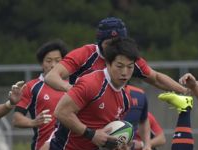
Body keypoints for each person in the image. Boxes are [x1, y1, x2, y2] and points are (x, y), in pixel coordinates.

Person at [45, 17, 188, 95]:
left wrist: (186, 90)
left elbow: (156, 78)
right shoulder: (85, 54)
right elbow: (51, 77)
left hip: (111, 117)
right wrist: (74, 90)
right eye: (109, 43)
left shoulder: (129, 57)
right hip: (79, 116)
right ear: (100, 42)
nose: (114, 47)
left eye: (118, 42)